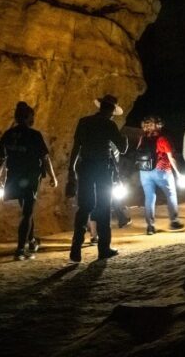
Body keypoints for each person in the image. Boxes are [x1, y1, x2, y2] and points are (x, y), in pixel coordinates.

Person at [67, 94, 127, 262]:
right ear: (112, 111)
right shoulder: (109, 125)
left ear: (100, 106)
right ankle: (104, 248)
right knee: (103, 206)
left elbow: (76, 148)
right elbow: (122, 149)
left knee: (84, 206)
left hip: (85, 167)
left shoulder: (84, 122)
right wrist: (125, 140)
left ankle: (75, 250)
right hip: (102, 169)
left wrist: (71, 170)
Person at [0, 101, 57, 261]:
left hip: (14, 177)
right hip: (30, 178)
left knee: (26, 211)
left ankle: (31, 241)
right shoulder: (34, 135)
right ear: (28, 117)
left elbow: (2, 158)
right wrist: (53, 177)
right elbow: (45, 158)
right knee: (27, 212)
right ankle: (20, 250)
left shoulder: (8, 134)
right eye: (32, 116)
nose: (33, 119)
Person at [138, 116, 185, 235]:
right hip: (162, 170)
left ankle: (150, 227)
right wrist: (179, 173)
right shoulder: (162, 139)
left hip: (144, 172)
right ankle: (174, 222)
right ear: (157, 125)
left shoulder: (142, 138)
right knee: (171, 194)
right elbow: (171, 157)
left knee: (149, 198)